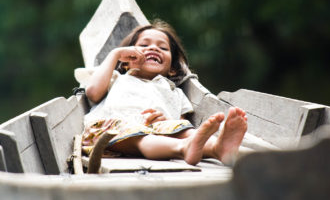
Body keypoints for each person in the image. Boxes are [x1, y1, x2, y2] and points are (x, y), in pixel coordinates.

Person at [75, 20, 247, 166]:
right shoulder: (116, 78)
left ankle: (217, 148)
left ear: (172, 69)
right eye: (144, 45)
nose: (154, 48)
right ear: (127, 61)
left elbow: (181, 124)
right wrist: (116, 54)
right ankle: (183, 149)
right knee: (141, 137)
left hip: (156, 131)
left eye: (163, 48)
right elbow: (92, 93)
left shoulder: (174, 91)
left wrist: (167, 121)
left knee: (185, 130)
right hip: (110, 132)